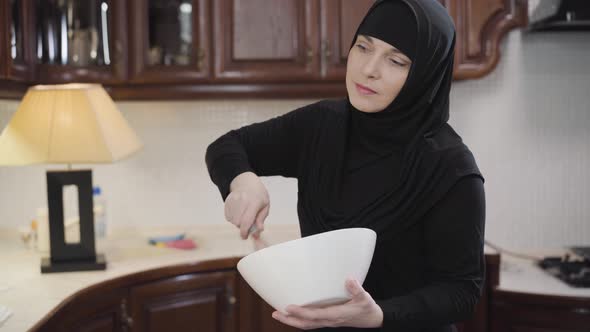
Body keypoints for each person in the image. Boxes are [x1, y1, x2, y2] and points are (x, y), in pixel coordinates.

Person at [205, 0, 485, 331]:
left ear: (425, 74)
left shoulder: (451, 167)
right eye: (363, 47)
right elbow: (227, 146)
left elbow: (462, 291)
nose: (369, 69)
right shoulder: (322, 126)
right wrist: (243, 181)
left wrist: (379, 314)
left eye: (396, 61)